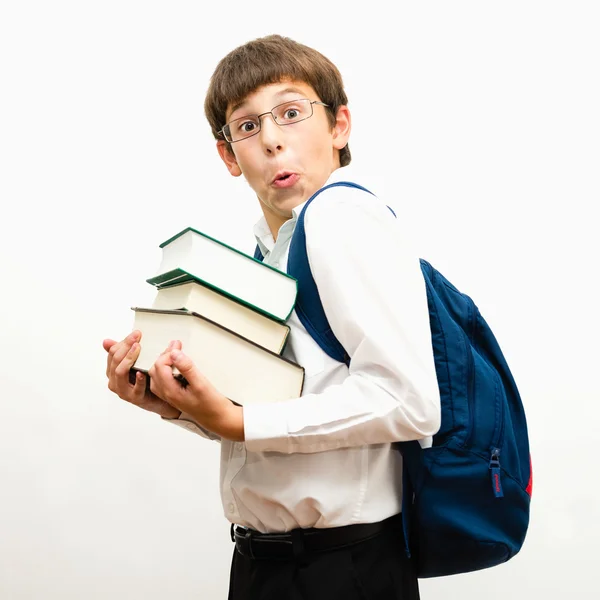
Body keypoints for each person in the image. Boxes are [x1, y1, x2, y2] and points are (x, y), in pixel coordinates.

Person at [103, 34, 441, 600]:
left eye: (290, 112)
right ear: (229, 156)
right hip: (272, 566)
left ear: (339, 126)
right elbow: (290, 417)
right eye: (248, 126)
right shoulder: (275, 249)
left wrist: (238, 422)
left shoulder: (341, 216)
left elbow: (408, 402)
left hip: (338, 570)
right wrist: (181, 406)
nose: (273, 142)